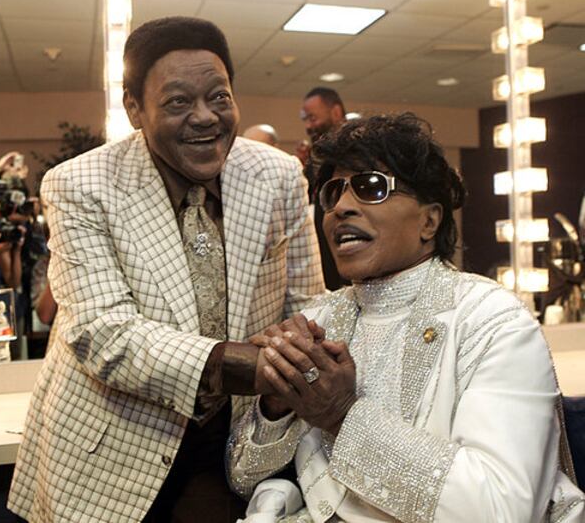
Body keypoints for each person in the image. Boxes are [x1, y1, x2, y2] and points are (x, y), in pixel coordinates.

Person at [7, 16, 324, 523]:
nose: (205, 117)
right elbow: (102, 332)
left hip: (230, 445)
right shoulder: (80, 185)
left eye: (219, 97)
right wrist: (251, 365)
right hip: (107, 450)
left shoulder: (277, 175)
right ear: (134, 108)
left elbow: (306, 305)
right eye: (178, 101)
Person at [227, 113, 585, 522]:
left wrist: (343, 414)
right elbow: (243, 478)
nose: (341, 207)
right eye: (332, 193)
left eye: (371, 188)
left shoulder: (492, 320)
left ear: (430, 220)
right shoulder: (319, 319)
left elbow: (499, 508)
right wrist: (276, 404)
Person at [301, 87, 347, 291]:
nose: (309, 126)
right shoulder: (316, 158)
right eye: (306, 120)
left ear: (336, 113)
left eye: (313, 118)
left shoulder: (358, 153)